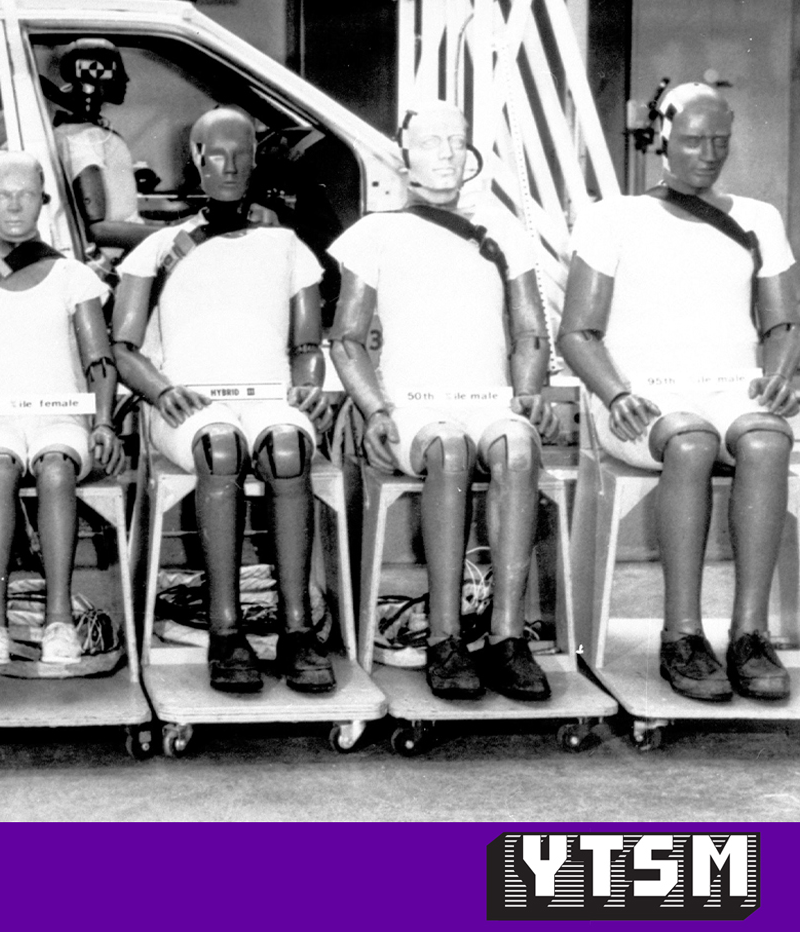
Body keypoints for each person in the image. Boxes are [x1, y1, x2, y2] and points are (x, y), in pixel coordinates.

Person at [559, 81, 799, 702]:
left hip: (729, 390)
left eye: (720, 141)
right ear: (663, 138)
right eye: (693, 140)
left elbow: (783, 325)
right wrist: (615, 394)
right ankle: (682, 636)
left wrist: (779, 376)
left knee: (769, 442)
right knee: (691, 443)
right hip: (643, 398)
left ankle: (750, 635)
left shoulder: (759, 218)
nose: (708, 154)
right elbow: (577, 333)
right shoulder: (614, 218)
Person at [329, 101, 558, 703]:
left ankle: (507, 638)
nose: (447, 154)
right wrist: (376, 410)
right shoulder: (374, 234)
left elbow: (530, 331)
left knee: (517, 447)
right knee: (448, 450)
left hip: (486, 398)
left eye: (457, 141)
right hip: (412, 406)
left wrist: (529, 394)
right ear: (404, 157)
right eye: (431, 142)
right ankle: (445, 639)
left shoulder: (503, 231)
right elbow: (347, 339)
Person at [112, 107, 335, 694]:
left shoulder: (287, 246)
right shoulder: (158, 248)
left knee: (287, 448)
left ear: (256, 161)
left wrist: (309, 385)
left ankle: (297, 630)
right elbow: (124, 349)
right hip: (188, 404)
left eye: (242, 155)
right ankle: (225, 631)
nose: (230, 167)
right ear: (197, 159)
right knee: (220, 447)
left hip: (267, 396)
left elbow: (307, 344)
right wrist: (161, 389)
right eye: (217, 155)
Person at [0, 152, 122, 668]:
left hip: (60, 418)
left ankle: (60, 619)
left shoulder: (73, 276)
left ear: (43, 200)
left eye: (25, 194)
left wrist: (104, 422)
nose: (14, 205)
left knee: (56, 470)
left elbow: (99, 360)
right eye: (2, 195)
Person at [53, 39, 160, 252]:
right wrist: (172, 236)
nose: (126, 79)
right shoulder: (84, 139)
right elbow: (99, 230)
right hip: (120, 259)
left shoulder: (86, 132)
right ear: (90, 76)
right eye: (116, 70)